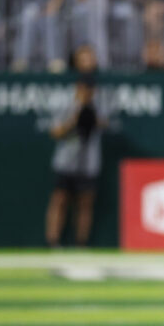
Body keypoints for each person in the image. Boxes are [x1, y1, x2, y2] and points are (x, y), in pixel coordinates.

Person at [45, 46, 102, 247]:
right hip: (67, 160)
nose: (87, 93)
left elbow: (105, 124)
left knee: (85, 202)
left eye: (90, 89)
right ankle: (53, 242)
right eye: (84, 88)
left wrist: (92, 117)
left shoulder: (97, 106)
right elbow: (55, 131)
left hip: (88, 162)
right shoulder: (67, 105)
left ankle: (81, 243)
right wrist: (74, 119)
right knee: (59, 200)